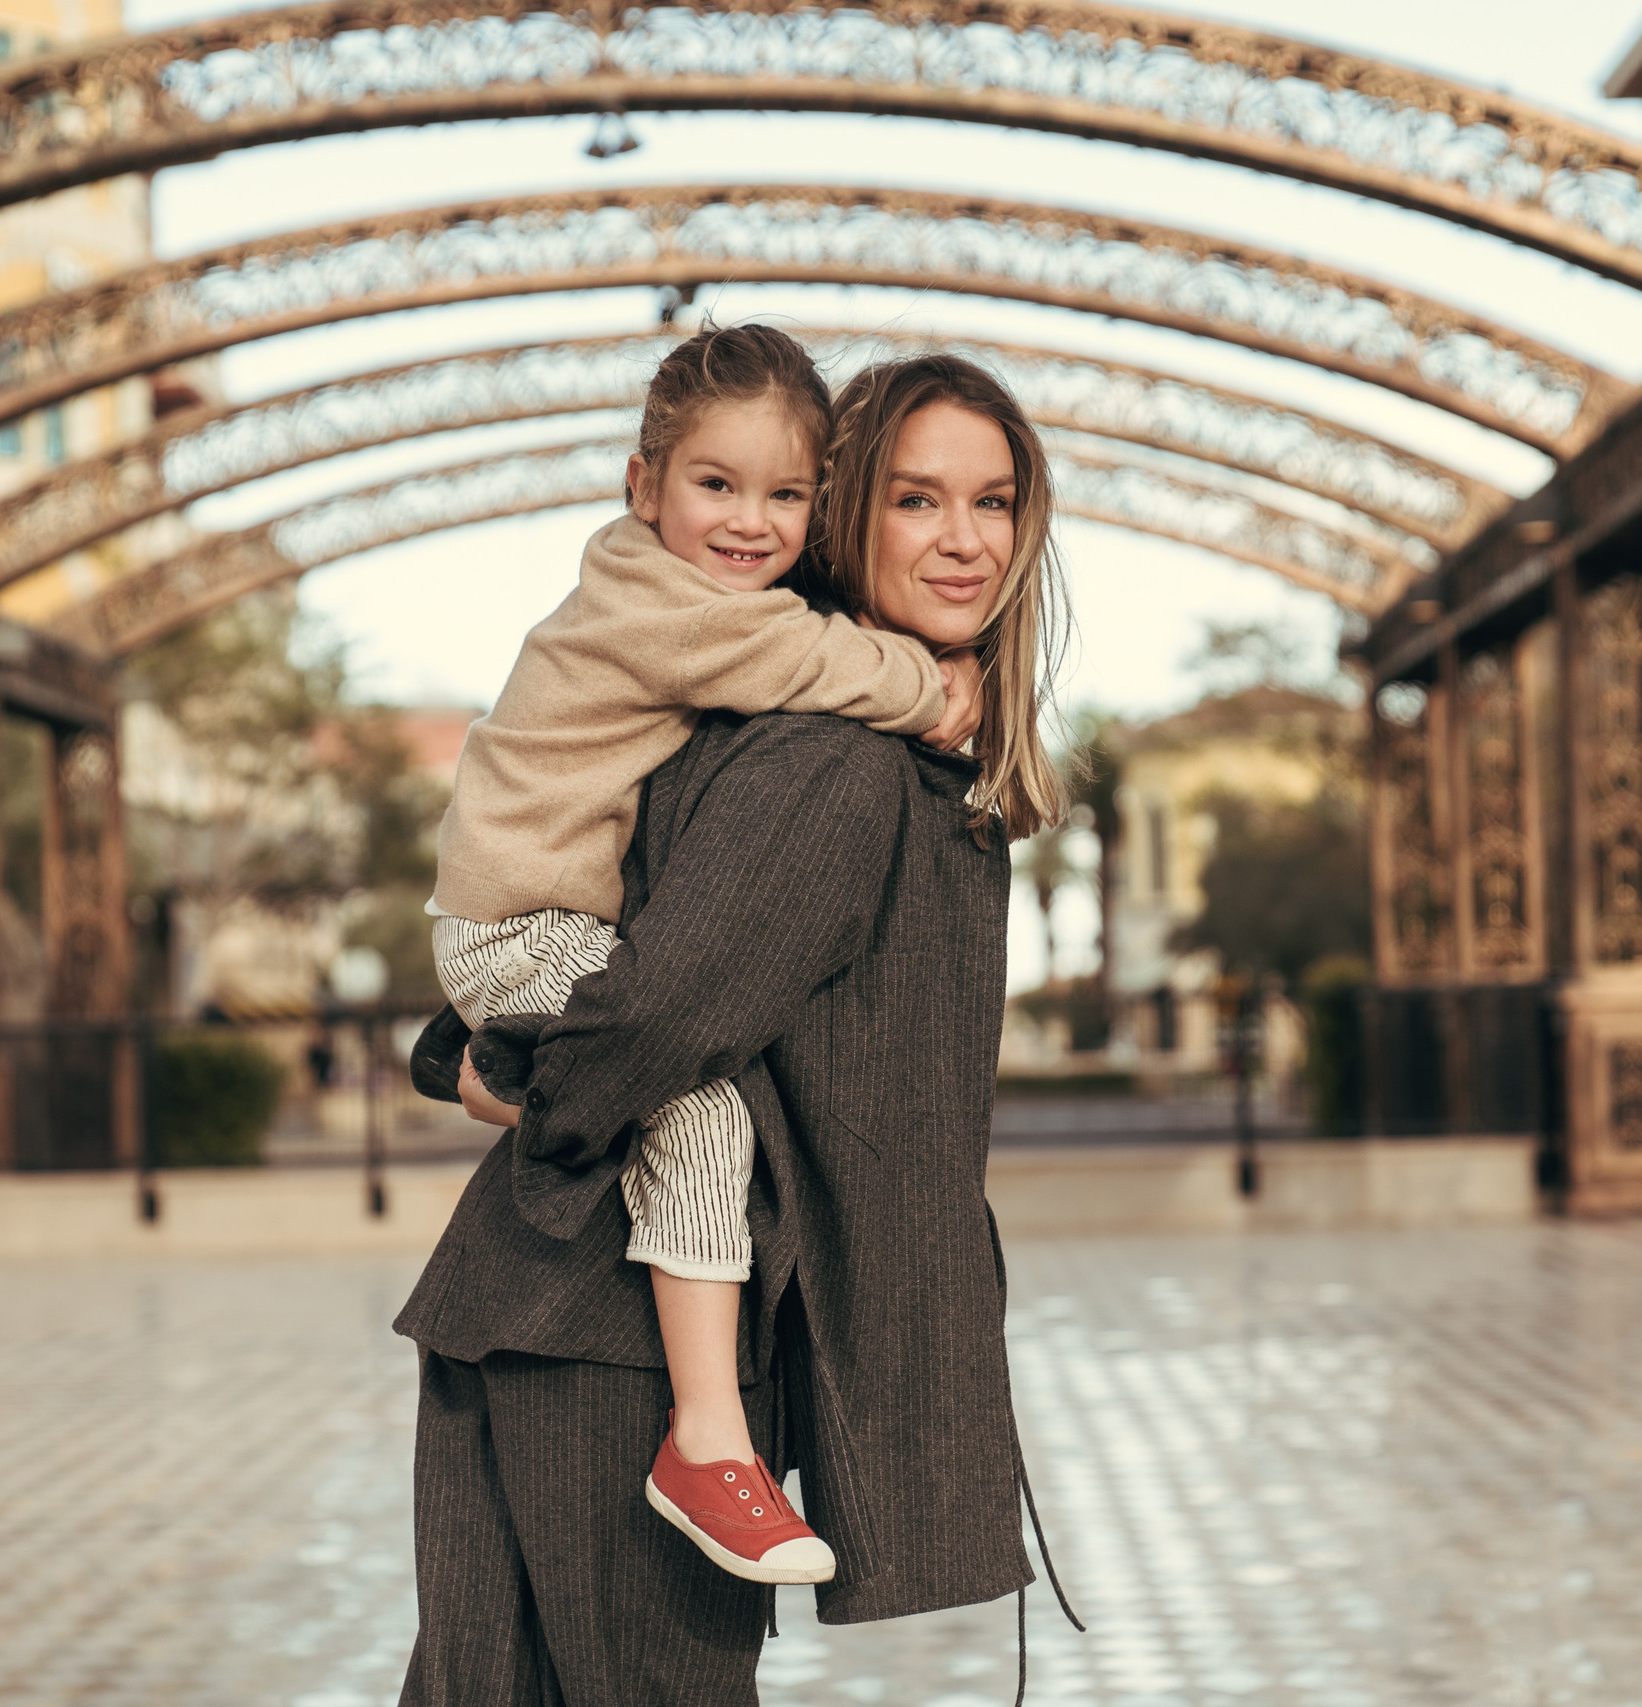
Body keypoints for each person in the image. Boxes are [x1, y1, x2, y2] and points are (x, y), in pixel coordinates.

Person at [397, 351, 1079, 1706]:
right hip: (613, 1342)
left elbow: (625, 953)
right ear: (845, 517)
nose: (962, 541)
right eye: (915, 501)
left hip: (556, 1304)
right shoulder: (838, 762)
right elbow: (658, 1018)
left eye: (993, 503)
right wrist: (503, 1073)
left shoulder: (792, 718)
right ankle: (707, 1446)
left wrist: (476, 1062)